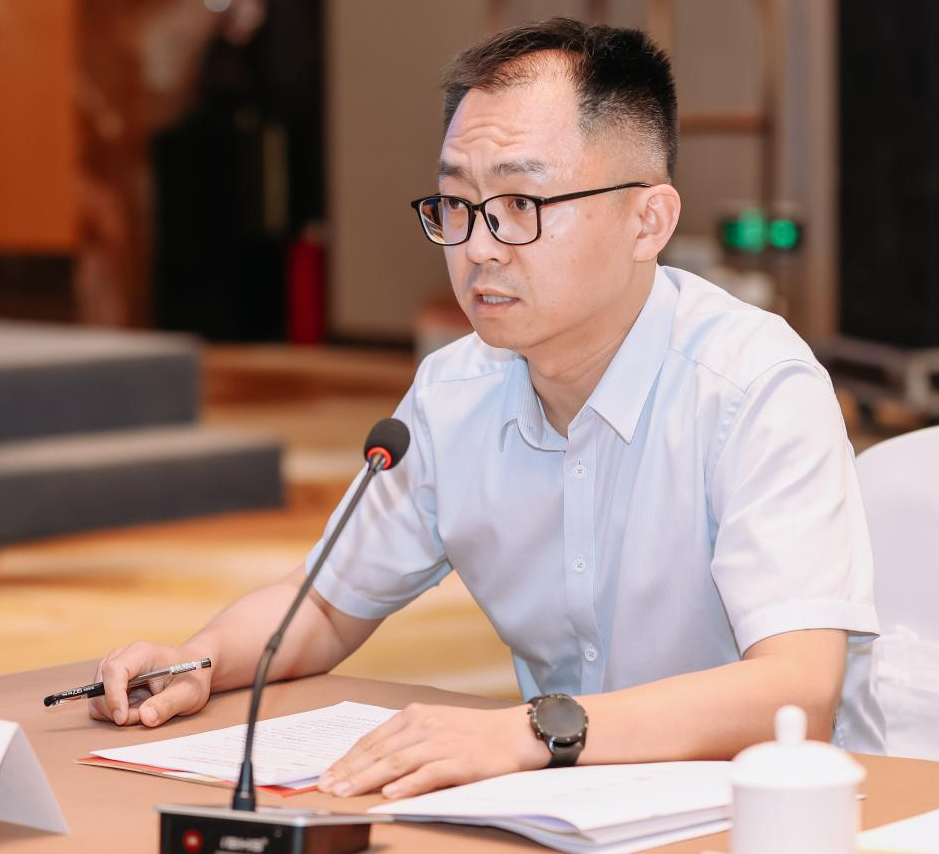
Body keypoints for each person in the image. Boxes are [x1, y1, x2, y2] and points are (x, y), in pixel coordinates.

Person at [91, 17, 884, 800]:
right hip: (567, 807)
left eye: (521, 204)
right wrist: (198, 661)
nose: (477, 248)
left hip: (785, 812)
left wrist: (528, 732)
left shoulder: (755, 389)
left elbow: (796, 692)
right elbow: (326, 606)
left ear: (648, 221)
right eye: (456, 203)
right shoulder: (454, 395)